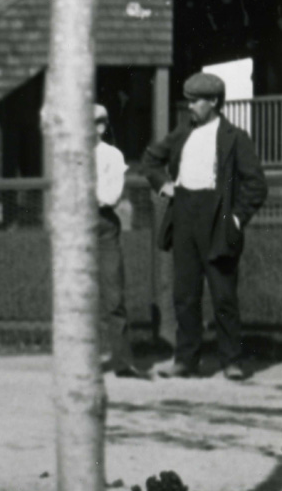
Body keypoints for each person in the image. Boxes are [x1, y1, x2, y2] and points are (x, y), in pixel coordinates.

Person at [141, 72, 268, 380]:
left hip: (218, 219)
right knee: (185, 293)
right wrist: (165, 187)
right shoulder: (182, 133)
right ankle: (186, 359)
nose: (190, 107)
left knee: (223, 294)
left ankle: (231, 361)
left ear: (213, 102)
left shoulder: (235, 137)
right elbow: (150, 160)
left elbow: (256, 185)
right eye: (188, 100)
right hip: (184, 214)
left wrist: (235, 219)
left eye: (196, 101)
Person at [95, 105, 144, 379]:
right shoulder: (70, 155)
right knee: (77, 296)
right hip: (75, 227)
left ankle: (122, 360)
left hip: (103, 226)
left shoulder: (111, 155)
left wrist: (86, 194)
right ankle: (81, 361)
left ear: (101, 127)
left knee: (112, 294)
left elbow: (111, 195)